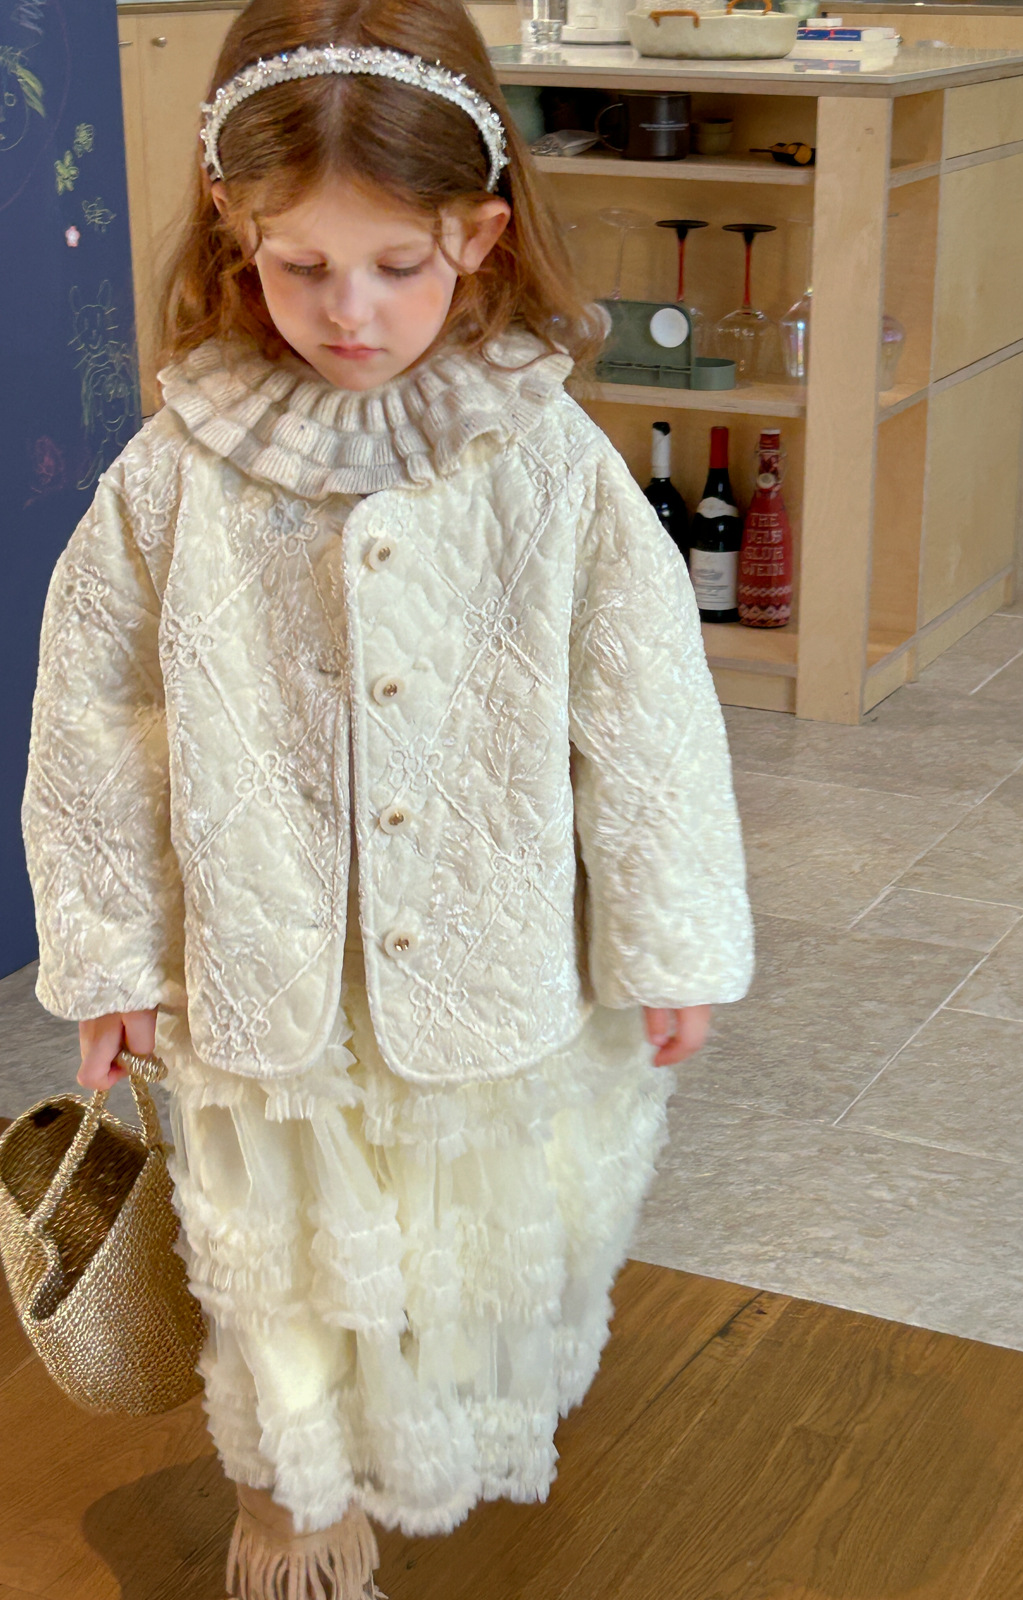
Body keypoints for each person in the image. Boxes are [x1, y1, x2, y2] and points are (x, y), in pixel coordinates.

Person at [21, 1, 754, 1595]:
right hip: (261, 976)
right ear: (235, 228)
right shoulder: (179, 472)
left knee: (452, 1249)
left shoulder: (544, 460)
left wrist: (671, 935)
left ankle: (424, 1442)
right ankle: (289, 1508)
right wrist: (109, 955)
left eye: (396, 267)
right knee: (274, 1262)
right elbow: (97, 721)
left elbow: (644, 710)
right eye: (302, 267)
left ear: (477, 239)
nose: (348, 314)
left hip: (489, 959)